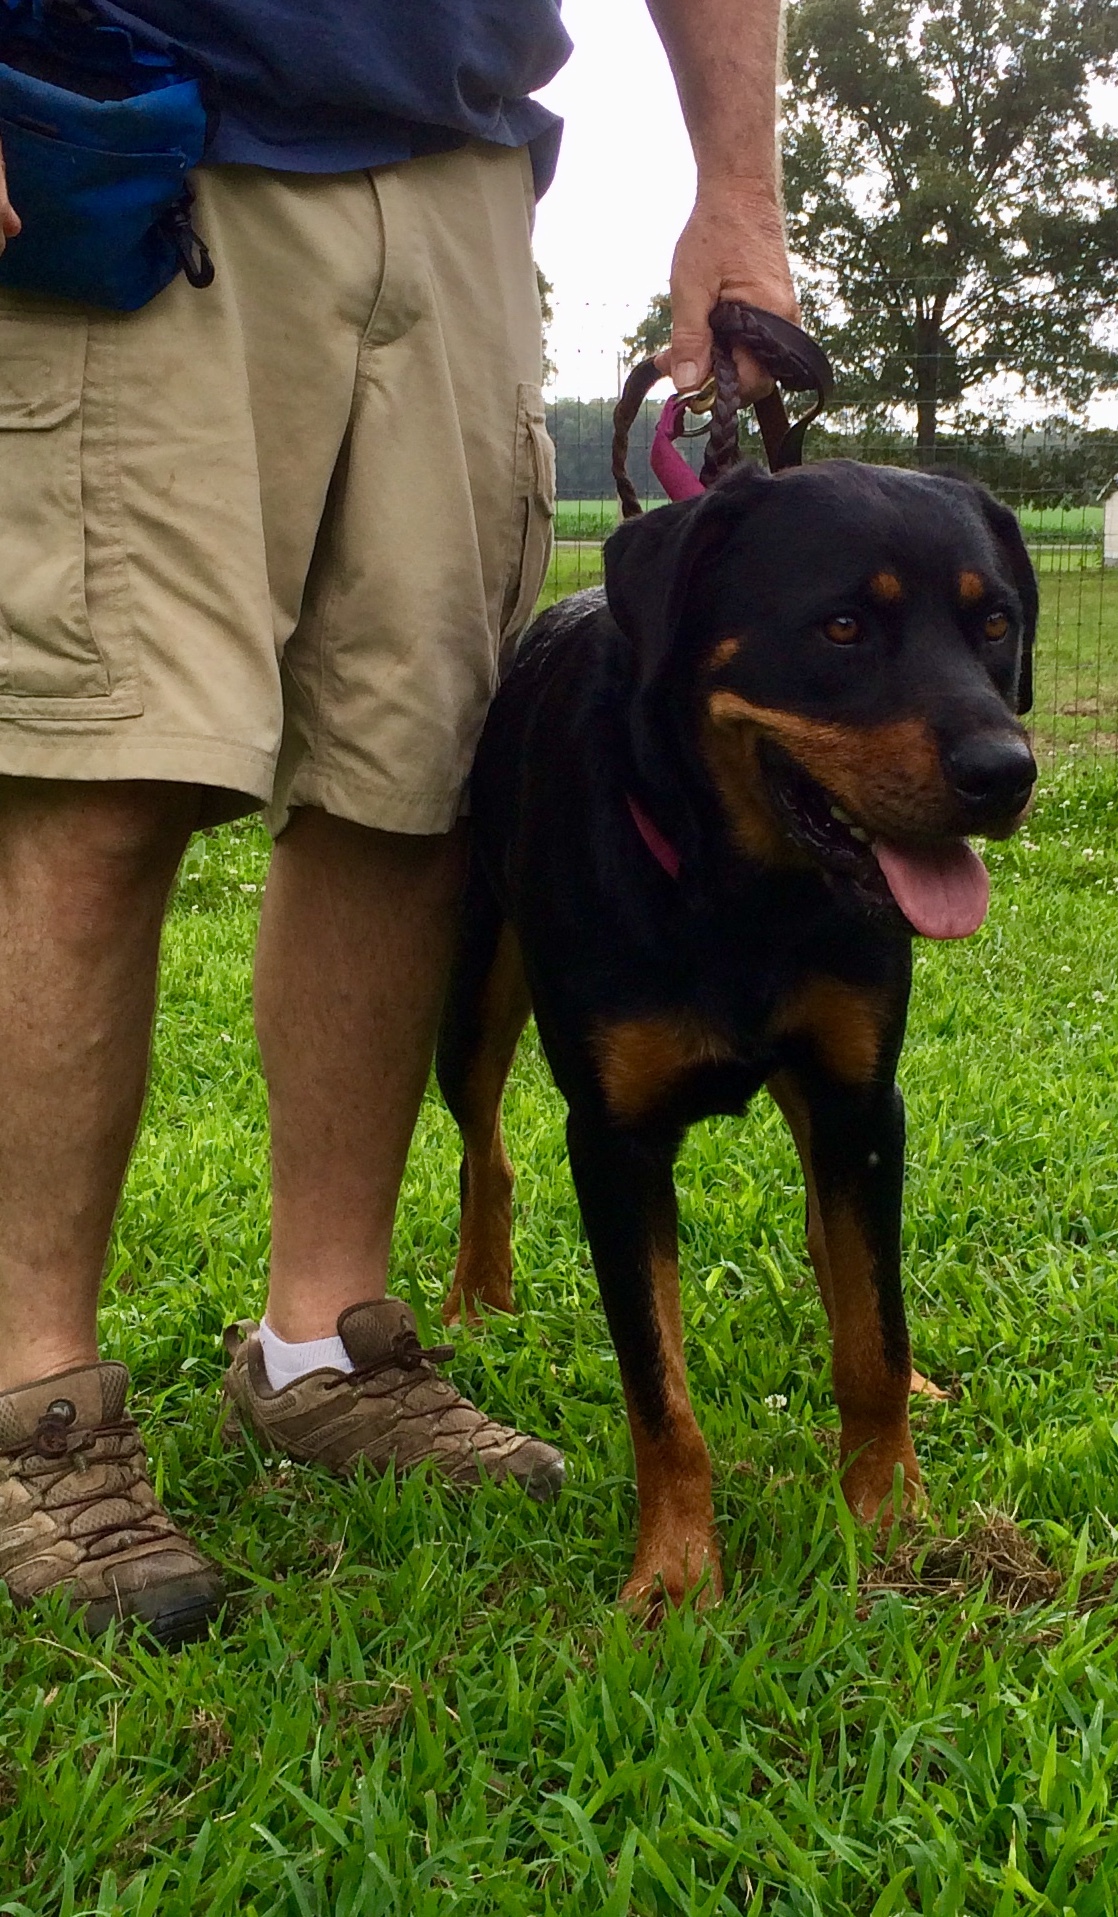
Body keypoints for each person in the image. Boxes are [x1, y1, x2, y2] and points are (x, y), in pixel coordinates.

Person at [0, 0, 798, 1642]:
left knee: (413, 784)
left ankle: (322, 1347)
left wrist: (739, 184)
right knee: (99, 777)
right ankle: (34, 1410)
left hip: (462, 173)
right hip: (138, 136)